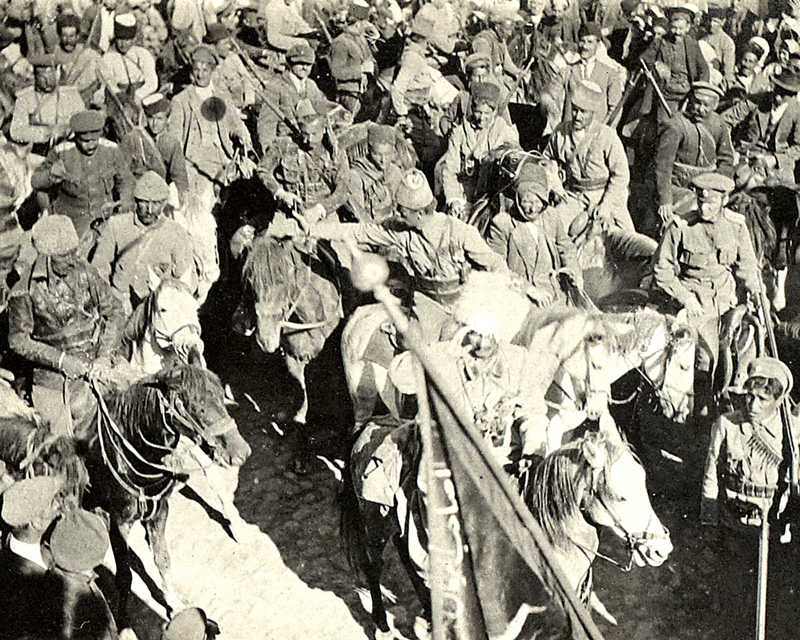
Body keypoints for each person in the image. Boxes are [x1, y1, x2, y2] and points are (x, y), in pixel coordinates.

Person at [309, 169, 507, 338]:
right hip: (427, 306)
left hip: (465, 302)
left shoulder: (460, 232)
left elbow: (495, 263)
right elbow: (358, 231)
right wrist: (310, 229)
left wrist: (502, 293)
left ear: (419, 213)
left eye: (403, 211)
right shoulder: (401, 233)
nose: (398, 215)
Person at [700, 357, 798, 632]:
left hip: (772, 527)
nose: (752, 405)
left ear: (777, 401)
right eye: (749, 397)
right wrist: (709, 522)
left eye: (762, 399)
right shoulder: (727, 424)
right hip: (733, 523)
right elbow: (711, 474)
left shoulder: (790, 432)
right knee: (734, 591)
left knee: (771, 597)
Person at [652, 173, 762, 413]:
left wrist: (755, 289)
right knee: (706, 357)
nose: (704, 207)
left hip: (727, 298)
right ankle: (701, 412)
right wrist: (685, 297)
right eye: (700, 202)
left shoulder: (736, 225)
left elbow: (747, 266)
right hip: (696, 303)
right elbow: (662, 270)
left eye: (710, 203)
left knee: (751, 346)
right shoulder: (680, 227)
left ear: (723, 201)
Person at [7, 215, 125, 438]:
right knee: (61, 446)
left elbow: (115, 312)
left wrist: (104, 355)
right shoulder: (23, 291)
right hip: (52, 381)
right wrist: (62, 361)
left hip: (97, 366)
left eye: (74, 251)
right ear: (47, 257)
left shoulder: (85, 271)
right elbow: (18, 340)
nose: (73, 259)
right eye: (64, 255)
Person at [168, 44, 253, 302]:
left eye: (206, 69)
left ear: (213, 71)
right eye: (197, 69)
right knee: (201, 225)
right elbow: (174, 142)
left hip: (224, 167)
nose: (201, 73)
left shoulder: (222, 97)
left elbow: (237, 125)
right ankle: (205, 277)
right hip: (196, 171)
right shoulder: (181, 101)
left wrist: (242, 136)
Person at [545, 80, 655, 261]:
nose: (577, 116)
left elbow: (620, 175)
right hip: (573, 195)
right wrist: (555, 182)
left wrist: (606, 204)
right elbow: (547, 159)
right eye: (574, 109)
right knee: (553, 232)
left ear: (593, 113)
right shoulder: (560, 132)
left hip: (604, 195)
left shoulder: (607, 136)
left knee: (628, 242)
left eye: (583, 112)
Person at [91, 171, 198, 310]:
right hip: (120, 303)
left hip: (157, 306)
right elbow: (99, 267)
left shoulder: (176, 232)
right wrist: (111, 299)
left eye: (156, 204)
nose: (149, 210)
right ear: (136, 201)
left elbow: (186, 279)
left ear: (165, 203)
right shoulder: (117, 225)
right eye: (144, 202)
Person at [31, 110, 134, 249]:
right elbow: (35, 181)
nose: (91, 145)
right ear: (76, 136)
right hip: (73, 222)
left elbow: (126, 179)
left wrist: (126, 199)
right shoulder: (62, 152)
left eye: (94, 140)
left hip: (105, 218)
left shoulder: (111, 150)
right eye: (85, 141)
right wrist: (51, 175)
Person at [486, 162, 580, 307]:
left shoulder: (551, 217)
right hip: (520, 298)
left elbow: (566, 247)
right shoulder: (502, 224)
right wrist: (529, 289)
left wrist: (574, 271)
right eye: (527, 202)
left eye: (538, 202)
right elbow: (496, 267)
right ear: (517, 199)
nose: (532, 209)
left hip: (555, 295)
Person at [257, 99, 348, 232]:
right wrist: (281, 193)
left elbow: (343, 191)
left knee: (339, 251)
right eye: (305, 134)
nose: (309, 140)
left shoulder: (335, 154)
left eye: (314, 134)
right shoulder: (284, 145)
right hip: (288, 216)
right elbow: (262, 170)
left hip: (324, 217)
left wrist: (320, 209)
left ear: (324, 130)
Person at [655, 81, 735, 229]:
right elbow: (663, 166)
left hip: (708, 186)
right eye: (697, 103)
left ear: (715, 106)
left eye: (706, 105)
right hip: (677, 186)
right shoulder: (676, 126)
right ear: (690, 101)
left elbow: (727, 160)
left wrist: (718, 187)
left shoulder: (719, 125)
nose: (700, 109)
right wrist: (665, 199)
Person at [441, 82, 520, 221]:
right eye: (478, 112)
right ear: (472, 109)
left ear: (494, 112)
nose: (481, 118)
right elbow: (450, 169)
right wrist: (453, 200)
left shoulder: (502, 130)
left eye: (487, 113)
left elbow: (516, 155)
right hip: (463, 194)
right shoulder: (459, 132)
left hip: (491, 197)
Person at [0, 476, 66, 639]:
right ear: (36, 522)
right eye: (52, 502)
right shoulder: (23, 584)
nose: (59, 505)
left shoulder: (12, 547)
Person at [723, 67, 800, 186]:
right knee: (738, 183)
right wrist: (729, 149)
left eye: (786, 94)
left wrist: (776, 159)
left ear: (794, 96)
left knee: (784, 196)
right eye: (778, 90)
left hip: (778, 163)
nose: (779, 96)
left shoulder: (797, 112)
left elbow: (798, 147)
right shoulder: (756, 100)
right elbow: (725, 121)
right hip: (746, 154)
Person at [255, 42, 337, 152]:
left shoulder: (311, 85)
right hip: (288, 146)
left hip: (311, 144)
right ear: (289, 63)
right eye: (300, 63)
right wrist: (269, 151)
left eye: (308, 64)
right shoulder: (276, 86)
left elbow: (322, 115)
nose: (304, 67)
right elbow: (266, 123)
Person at [641, 4, 710, 124]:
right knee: (666, 125)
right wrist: (657, 64)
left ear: (688, 27)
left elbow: (704, 68)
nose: (677, 32)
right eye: (674, 28)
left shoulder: (692, 45)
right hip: (666, 93)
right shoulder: (661, 42)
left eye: (681, 28)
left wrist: (700, 91)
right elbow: (644, 59)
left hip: (687, 95)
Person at [9, 53, 84, 156]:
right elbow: (16, 132)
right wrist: (47, 132)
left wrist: (66, 130)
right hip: (37, 154)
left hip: (68, 152)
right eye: (42, 76)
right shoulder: (25, 98)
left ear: (58, 73)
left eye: (52, 75)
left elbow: (84, 123)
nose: (48, 81)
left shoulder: (71, 95)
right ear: (35, 76)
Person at [561, 22, 624, 124]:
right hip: (569, 133)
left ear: (598, 44)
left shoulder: (610, 74)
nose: (585, 46)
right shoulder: (567, 72)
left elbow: (615, 109)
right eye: (582, 41)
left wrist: (603, 132)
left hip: (598, 134)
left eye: (590, 42)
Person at [340, 124, 405, 223]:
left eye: (387, 154)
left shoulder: (395, 172)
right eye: (377, 154)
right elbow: (358, 214)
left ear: (393, 152)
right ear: (369, 151)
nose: (382, 160)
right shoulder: (356, 175)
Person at [140, 93, 190, 208]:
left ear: (167, 119)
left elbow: (179, 176)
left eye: (159, 118)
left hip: (161, 196)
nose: (154, 123)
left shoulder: (172, 143)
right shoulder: (134, 138)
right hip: (139, 195)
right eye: (150, 118)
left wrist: (182, 199)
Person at [96, 13, 157, 106]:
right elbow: (110, 85)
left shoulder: (143, 54)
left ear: (134, 39)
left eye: (127, 40)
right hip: (119, 101)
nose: (123, 44)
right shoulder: (108, 58)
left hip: (142, 98)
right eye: (120, 39)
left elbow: (152, 82)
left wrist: (139, 95)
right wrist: (124, 99)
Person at [328, 0, 376, 116]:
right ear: (358, 23)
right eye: (365, 23)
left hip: (362, 93)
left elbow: (369, 59)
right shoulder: (341, 42)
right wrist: (361, 69)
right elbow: (336, 72)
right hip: (349, 96)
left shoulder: (361, 39)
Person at [206, 23, 258, 111]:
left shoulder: (233, 58)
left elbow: (247, 78)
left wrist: (249, 99)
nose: (229, 46)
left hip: (242, 107)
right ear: (212, 46)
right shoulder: (207, 65)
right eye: (225, 43)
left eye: (229, 43)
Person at [56, 13, 102, 106]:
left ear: (77, 36)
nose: (67, 40)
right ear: (59, 36)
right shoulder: (54, 53)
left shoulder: (85, 53)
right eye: (64, 36)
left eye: (71, 36)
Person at [702, 6, 736, 82]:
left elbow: (728, 69)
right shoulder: (702, 37)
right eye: (709, 20)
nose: (711, 24)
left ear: (723, 22)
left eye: (715, 21)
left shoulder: (727, 42)